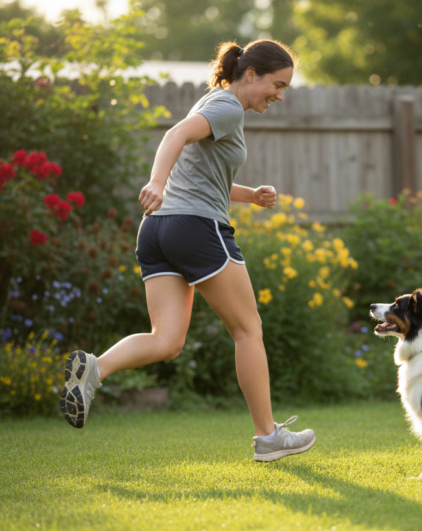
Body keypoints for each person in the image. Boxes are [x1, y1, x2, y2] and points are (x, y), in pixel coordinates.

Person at [59, 40, 315, 462]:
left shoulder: (214, 102)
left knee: (167, 340)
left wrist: (250, 196)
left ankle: (95, 368)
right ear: (250, 74)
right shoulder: (228, 106)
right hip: (196, 228)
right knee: (248, 329)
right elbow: (175, 135)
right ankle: (268, 436)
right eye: (278, 84)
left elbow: (202, 176)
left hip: (158, 230)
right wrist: (156, 182)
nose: (280, 95)